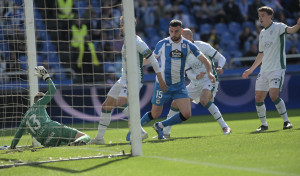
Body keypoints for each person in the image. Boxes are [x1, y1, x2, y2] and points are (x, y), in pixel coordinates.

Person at [129, 20, 216, 140]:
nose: (173, 34)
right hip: (162, 84)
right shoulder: (162, 43)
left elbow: (205, 60)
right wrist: (136, 64)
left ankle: (160, 126)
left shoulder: (188, 45)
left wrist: (210, 73)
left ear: (181, 30)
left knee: (187, 114)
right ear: (169, 30)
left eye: (176, 31)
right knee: (155, 114)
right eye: (171, 31)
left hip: (179, 85)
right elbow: (151, 59)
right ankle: (134, 130)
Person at [89, 16, 166, 145]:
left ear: (129, 26)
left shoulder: (137, 42)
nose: (120, 27)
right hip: (123, 78)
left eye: (121, 25)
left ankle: (139, 131)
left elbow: (152, 59)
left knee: (120, 102)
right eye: (120, 24)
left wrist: (159, 77)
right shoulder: (127, 41)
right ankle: (99, 138)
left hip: (133, 79)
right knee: (106, 105)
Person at [161, 28, 231, 138]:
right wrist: (196, 76)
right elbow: (188, 72)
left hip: (209, 79)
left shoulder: (203, 46)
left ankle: (225, 127)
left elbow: (221, 58)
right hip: (195, 83)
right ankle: (166, 132)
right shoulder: (182, 52)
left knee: (204, 100)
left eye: (182, 38)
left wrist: (220, 67)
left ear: (189, 38)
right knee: (175, 103)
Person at [242, 6, 300, 132]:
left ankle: (286, 121)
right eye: (259, 16)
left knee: (274, 95)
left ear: (270, 16)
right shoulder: (262, 33)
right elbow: (261, 54)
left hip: (277, 68)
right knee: (258, 97)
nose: (260, 18)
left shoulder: (279, 27)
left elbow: (291, 30)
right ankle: (264, 125)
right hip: (264, 70)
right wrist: (251, 69)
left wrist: (297, 25)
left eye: (262, 15)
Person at [10, 66, 90, 149]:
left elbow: (18, 134)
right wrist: (46, 76)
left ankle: (72, 144)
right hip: (52, 129)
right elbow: (52, 90)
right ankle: (76, 142)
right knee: (85, 137)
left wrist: (12, 147)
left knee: (63, 144)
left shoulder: (25, 117)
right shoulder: (40, 103)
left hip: (45, 141)